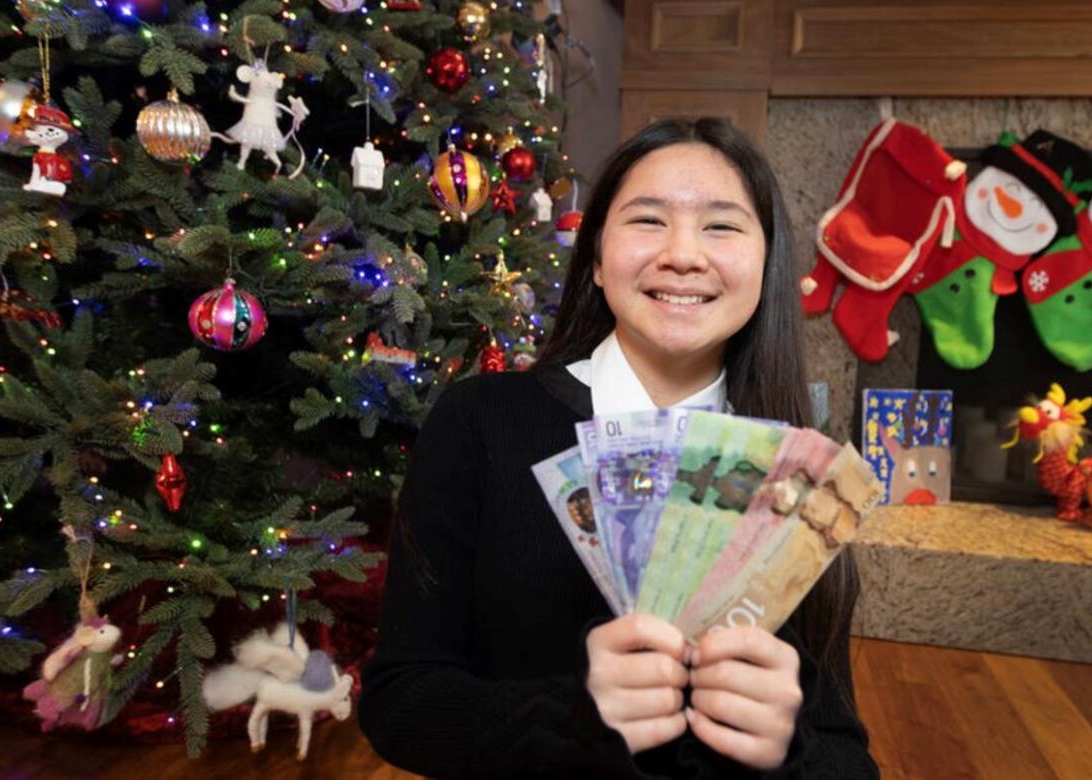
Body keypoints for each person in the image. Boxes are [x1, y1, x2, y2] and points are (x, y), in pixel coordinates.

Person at [359, 118, 879, 778]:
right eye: (647, 220)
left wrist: (790, 747)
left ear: (766, 264)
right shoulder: (480, 422)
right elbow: (399, 701)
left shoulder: (797, 475)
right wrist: (567, 718)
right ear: (598, 262)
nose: (684, 254)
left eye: (721, 225)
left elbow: (850, 759)